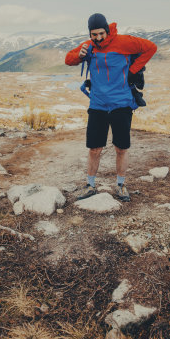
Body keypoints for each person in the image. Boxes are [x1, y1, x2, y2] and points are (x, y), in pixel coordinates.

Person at [65, 13, 157, 202]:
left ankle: (121, 186)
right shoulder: (89, 46)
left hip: (121, 104)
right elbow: (68, 59)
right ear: (90, 34)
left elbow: (151, 48)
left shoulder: (124, 42)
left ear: (107, 30)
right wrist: (79, 55)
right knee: (94, 149)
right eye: (93, 34)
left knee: (121, 148)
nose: (98, 38)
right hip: (98, 104)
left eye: (101, 33)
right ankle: (90, 186)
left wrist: (132, 71)